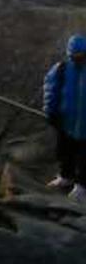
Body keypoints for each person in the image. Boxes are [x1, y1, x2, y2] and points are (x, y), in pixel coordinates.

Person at [43, 33, 86, 198]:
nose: (79, 58)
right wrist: (50, 111)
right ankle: (65, 177)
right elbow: (51, 91)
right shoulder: (61, 69)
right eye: (76, 55)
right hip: (66, 122)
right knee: (65, 151)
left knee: (84, 157)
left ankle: (82, 186)